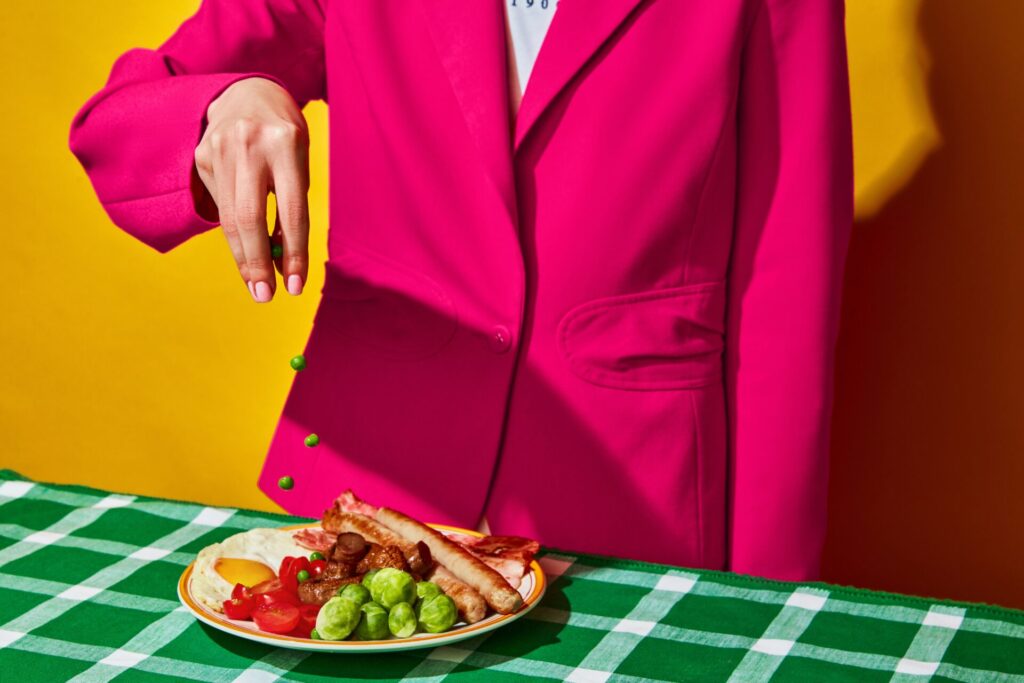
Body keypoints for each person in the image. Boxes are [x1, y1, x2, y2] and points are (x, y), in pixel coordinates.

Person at [69, 0, 854, 581]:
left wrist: (766, 590)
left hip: (633, 513)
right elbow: (116, 122)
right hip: (370, 499)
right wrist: (223, 103)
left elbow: (787, 286)